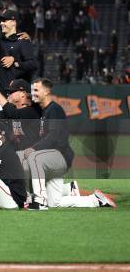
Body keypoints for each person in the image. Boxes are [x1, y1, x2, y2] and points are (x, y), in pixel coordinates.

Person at [22, 78, 116, 209]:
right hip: (51, 159)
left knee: (33, 157)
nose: (33, 93)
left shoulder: (54, 109)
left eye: (36, 90)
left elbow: (54, 136)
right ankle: (95, 200)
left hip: (59, 156)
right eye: (32, 90)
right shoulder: (45, 111)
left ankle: (39, 201)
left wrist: (34, 148)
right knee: (55, 203)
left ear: (47, 91)